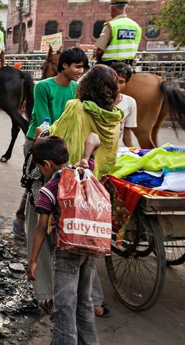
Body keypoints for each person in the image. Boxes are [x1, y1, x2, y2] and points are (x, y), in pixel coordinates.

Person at [33, 65, 124, 318]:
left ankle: (51, 297)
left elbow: (57, 137)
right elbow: (109, 159)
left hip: (68, 185)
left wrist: (43, 132)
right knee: (87, 248)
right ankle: (93, 302)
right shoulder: (114, 118)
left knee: (47, 233)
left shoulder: (76, 107)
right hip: (94, 187)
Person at [28, 135, 102, 345]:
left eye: (40, 168)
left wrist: (33, 260)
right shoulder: (83, 172)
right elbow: (94, 138)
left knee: (64, 303)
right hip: (90, 246)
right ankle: (89, 344)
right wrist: (86, 156)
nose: (41, 172)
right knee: (84, 296)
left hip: (67, 250)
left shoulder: (50, 188)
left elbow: (41, 227)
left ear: (47, 164)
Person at [16, 47, 88, 242]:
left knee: (53, 185)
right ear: (64, 65)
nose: (80, 71)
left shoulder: (76, 89)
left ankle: (45, 224)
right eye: (77, 66)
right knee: (35, 184)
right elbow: (43, 119)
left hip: (62, 142)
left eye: (83, 67)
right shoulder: (43, 87)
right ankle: (24, 221)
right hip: (40, 141)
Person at [95, 0, 142, 66]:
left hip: (110, 66)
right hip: (128, 66)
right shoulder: (136, 26)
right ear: (126, 9)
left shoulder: (111, 25)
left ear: (112, 8)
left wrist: (97, 60)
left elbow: (99, 51)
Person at [111, 62, 138, 147]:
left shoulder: (130, 102)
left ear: (126, 83)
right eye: (114, 81)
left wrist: (132, 150)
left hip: (116, 150)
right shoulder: (96, 100)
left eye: (121, 82)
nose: (116, 85)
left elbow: (126, 130)